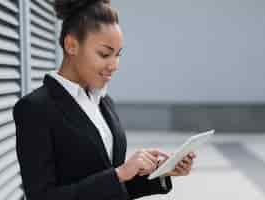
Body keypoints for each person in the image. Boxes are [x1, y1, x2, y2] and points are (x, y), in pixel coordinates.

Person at [13, 0, 196, 199]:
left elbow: (115, 188)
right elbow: (41, 197)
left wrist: (161, 172)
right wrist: (120, 174)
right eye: (105, 54)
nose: (114, 65)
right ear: (71, 45)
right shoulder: (35, 109)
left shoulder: (104, 102)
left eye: (117, 55)